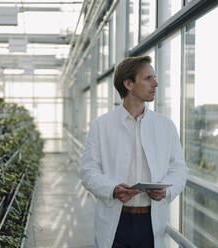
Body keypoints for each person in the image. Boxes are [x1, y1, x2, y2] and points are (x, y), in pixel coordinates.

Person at [80, 56, 187, 248]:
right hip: (116, 220)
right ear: (128, 84)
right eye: (148, 78)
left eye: (154, 78)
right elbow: (88, 171)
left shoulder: (165, 126)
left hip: (151, 223)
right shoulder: (101, 125)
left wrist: (167, 191)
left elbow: (179, 169)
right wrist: (112, 189)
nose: (155, 83)